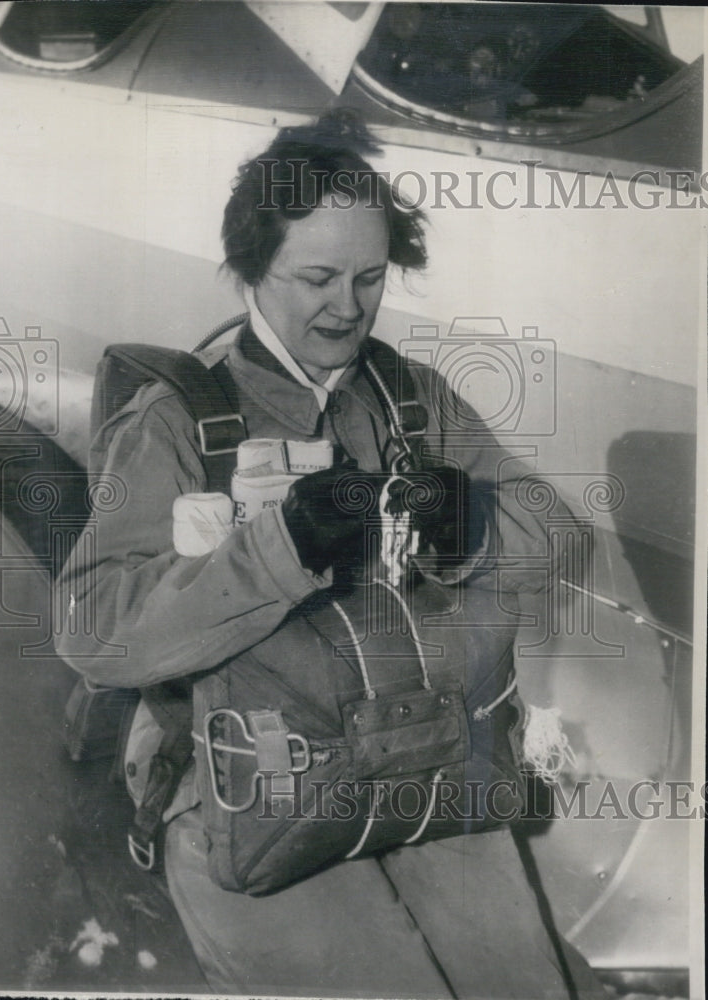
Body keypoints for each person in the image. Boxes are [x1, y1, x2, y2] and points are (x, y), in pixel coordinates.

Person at [55, 110, 607, 999]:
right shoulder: (174, 421)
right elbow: (94, 632)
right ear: (250, 270)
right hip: (245, 778)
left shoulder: (409, 398)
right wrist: (277, 553)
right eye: (315, 277)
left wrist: (471, 522)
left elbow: (557, 534)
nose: (346, 307)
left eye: (368, 278)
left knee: (530, 986)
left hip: (421, 744)